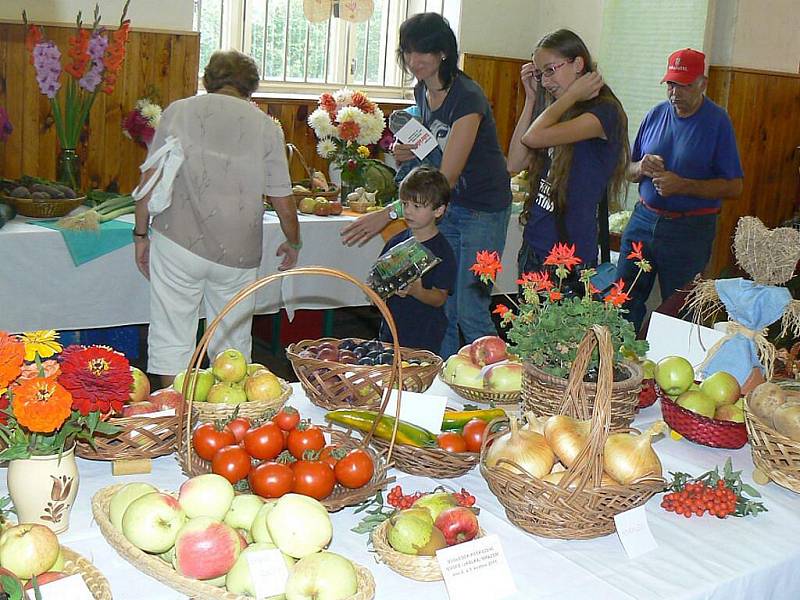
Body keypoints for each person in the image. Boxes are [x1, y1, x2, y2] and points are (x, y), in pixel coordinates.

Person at [341, 12, 512, 358]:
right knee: (443, 305)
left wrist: (388, 214)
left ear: (443, 53)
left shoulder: (467, 98)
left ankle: (500, 387)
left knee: (470, 308)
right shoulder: (422, 91)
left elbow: (446, 176)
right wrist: (411, 151)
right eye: (407, 52)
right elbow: (433, 151)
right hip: (446, 207)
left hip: (482, 211)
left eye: (423, 52)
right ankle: (440, 387)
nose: (413, 61)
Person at [133, 50, 300, 387]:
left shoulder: (178, 111)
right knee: (232, 345)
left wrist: (140, 235)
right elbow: (283, 199)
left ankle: (173, 417)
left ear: (208, 80)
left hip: (177, 242)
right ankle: (227, 424)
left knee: (172, 335)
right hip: (238, 254)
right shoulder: (266, 127)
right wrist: (293, 241)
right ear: (250, 87)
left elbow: (148, 180)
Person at [615, 48, 743, 332]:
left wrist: (682, 185)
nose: (675, 93)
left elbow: (734, 186)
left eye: (684, 85)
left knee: (681, 310)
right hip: (643, 221)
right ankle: (617, 366)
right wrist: (641, 167)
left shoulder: (717, 123)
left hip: (690, 230)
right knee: (622, 299)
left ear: (702, 83)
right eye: (671, 84)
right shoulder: (656, 115)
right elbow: (627, 170)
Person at [507, 29, 630, 278]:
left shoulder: (604, 112)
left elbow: (533, 137)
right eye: (540, 74)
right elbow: (515, 161)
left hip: (567, 259)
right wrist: (531, 99)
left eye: (551, 70)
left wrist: (572, 95)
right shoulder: (559, 109)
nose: (546, 81)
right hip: (535, 247)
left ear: (578, 64)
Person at [378, 167, 456, 355]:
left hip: (424, 334)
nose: (408, 211)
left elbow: (440, 298)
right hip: (391, 331)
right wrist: (380, 290)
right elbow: (379, 280)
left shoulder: (442, 250)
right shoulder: (395, 242)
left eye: (417, 206)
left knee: (418, 377)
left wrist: (417, 291)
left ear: (438, 210)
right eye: (405, 204)